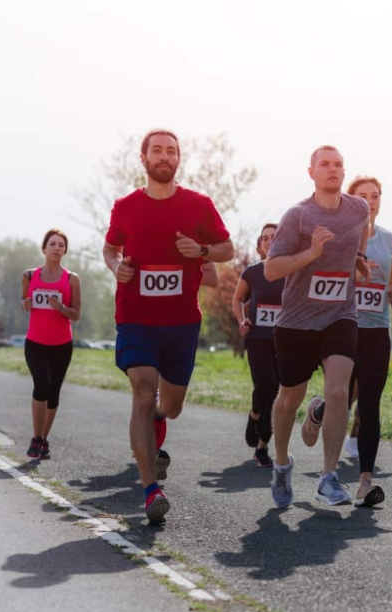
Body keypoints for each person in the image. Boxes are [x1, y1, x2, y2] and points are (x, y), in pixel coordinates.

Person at [103, 128, 234, 524]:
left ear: (179, 159)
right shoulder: (125, 207)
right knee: (143, 391)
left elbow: (226, 248)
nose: (164, 156)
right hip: (136, 318)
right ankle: (150, 490)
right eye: (157, 151)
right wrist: (116, 267)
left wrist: (203, 251)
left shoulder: (198, 205)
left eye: (171, 151)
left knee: (169, 406)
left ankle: (159, 419)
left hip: (181, 323)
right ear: (143, 159)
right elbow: (110, 248)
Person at [264, 145, 371, 509]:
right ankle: (281, 463)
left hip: (340, 314)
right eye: (324, 165)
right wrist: (311, 253)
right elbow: (271, 269)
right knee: (289, 398)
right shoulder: (297, 216)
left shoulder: (358, 209)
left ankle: (328, 477)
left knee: (339, 391)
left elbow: (363, 233)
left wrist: (358, 258)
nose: (333, 170)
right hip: (296, 321)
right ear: (311, 172)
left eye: (338, 164)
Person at [326, 175, 392, 505]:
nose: (371, 201)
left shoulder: (390, 241)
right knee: (339, 401)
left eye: (376, 196)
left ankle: (365, 482)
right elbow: (325, 285)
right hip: (342, 328)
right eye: (363, 196)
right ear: (351, 200)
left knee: (370, 405)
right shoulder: (338, 238)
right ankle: (327, 469)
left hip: (377, 331)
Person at [21, 228, 81, 460]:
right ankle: (36, 438)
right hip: (35, 342)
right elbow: (25, 301)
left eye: (61, 245)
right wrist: (25, 304)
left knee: (53, 392)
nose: (57, 248)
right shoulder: (28, 275)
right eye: (52, 244)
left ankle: (44, 440)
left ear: (65, 251)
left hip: (62, 345)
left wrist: (61, 309)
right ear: (44, 248)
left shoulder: (71, 279)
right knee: (42, 385)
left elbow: (76, 314)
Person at [233, 223, 284, 467]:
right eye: (265, 238)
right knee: (265, 384)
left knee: (275, 395)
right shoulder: (252, 272)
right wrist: (242, 321)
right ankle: (254, 414)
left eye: (275, 237)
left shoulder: (292, 271)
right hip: (258, 340)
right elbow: (237, 299)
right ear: (260, 245)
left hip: (284, 340)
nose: (270, 241)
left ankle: (262, 448)